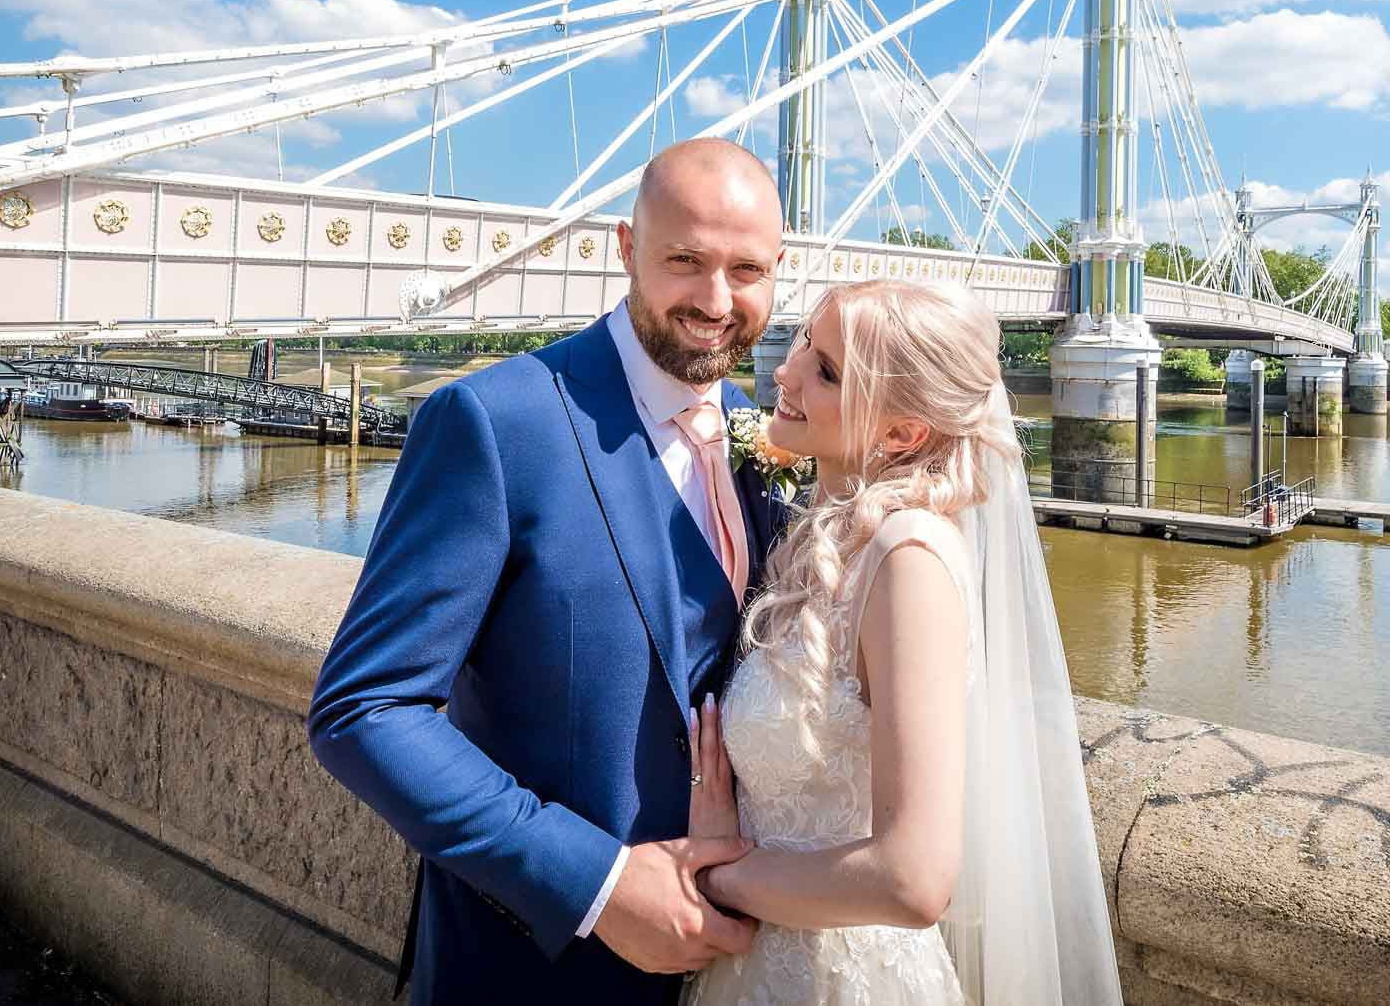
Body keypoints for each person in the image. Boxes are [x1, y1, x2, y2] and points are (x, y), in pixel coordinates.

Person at [308, 137, 786, 1003]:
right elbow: (363, 709)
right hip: (532, 969)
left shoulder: (770, 440)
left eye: (746, 269)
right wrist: (599, 884)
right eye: (686, 260)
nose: (716, 301)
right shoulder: (495, 422)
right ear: (625, 247)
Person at [681, 279, 1122, 1005]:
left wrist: (713, 871)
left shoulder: (907, 559)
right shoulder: (827, 539)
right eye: (801, 341)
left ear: (902, 433)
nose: (784, 373)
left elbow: (913, 877)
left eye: (825, 370)